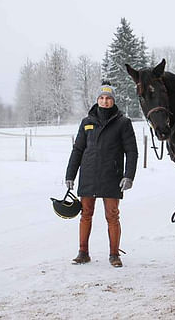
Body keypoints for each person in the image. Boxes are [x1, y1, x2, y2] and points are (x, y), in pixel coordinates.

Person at [65, 82, 138, 267]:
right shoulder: (87, 122)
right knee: (86, 214)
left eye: (108, 98)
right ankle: (83, 253)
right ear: (97, 100)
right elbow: (78, 149)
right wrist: (70, 175)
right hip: (88, 175)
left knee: (112, 215)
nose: (105, 101)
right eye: (101, 98)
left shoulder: (123, 122)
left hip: (111, 175)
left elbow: (131, 151)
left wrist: (128, 176)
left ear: (113, 101)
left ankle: (114, 255)